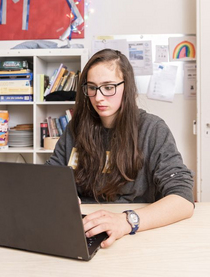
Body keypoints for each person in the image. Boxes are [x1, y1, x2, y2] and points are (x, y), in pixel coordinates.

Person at [46, 49, 194, 248]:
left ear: (127, 87)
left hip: (136, 234)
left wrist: (126, 221)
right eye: (92, 88)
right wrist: (58, 196)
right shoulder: (76, 128)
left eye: (108, 87)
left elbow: (183, 200)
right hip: (84, 230)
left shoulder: (152, 129)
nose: (98, 97)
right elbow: (49, 178)